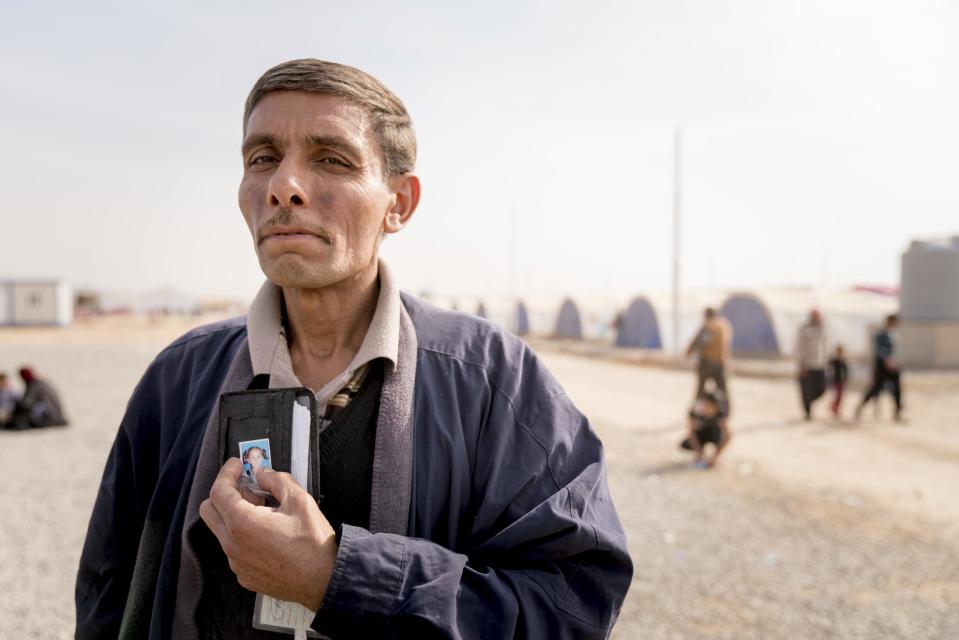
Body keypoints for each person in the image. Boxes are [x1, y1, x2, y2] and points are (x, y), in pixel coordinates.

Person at [76, 59, 632, 639]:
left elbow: (572, 605)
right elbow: (108, 594)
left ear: (400, 203)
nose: (282, 187)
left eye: (332, 159)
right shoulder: (180, 377)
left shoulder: (495, 381)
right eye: (262, 158)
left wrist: (333, 576)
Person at [856, 314, 903, 421]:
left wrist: (894, 361)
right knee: (875, 388)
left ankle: (897, 412)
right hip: (882, 365)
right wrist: (886, 360)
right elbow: (879, 350)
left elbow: (893, 351)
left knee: (897, 388)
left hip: (892, 365)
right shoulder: (880, 334)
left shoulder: (893, 334)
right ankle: (860, 407)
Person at [686, 307, 733, 402]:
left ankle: (696, 410)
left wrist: (689, 352)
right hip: (721, 361)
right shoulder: (724, 325)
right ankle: (724, 411)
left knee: (700, 388)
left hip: (708, 362)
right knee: (722, 389)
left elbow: (702, 341)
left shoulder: (709, 326)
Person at [680, 391, 731, 468]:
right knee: (685, 444)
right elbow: (691, 433)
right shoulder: (695, 412)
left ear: (716, 407)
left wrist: (716, 456)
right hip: (701, 434)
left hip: (714, 434)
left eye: (709, 406)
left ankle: (712, 457)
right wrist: (699, 452)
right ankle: (700, 453)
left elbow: (728, 435)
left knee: (718, 434)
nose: (706, 408)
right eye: (705, 404)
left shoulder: (720, 414)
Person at [796, 309, 828, 420]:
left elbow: (825, 347)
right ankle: (807, 411)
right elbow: (799, 347)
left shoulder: (823, 329)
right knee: (806, 389)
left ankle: (808, 401)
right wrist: (802, 363)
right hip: (808, 365)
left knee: (822, 389)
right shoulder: (805, 330)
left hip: (820, 364)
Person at [829, 344, 848, 418]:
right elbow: (829, 366)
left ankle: (835, 408)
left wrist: (846, 379)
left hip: (842, 381)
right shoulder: (835, 360)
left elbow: (846, 371)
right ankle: (834, 408)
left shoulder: (843, 361)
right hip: (836, 380)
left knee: (840, 396)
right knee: (838, 395)